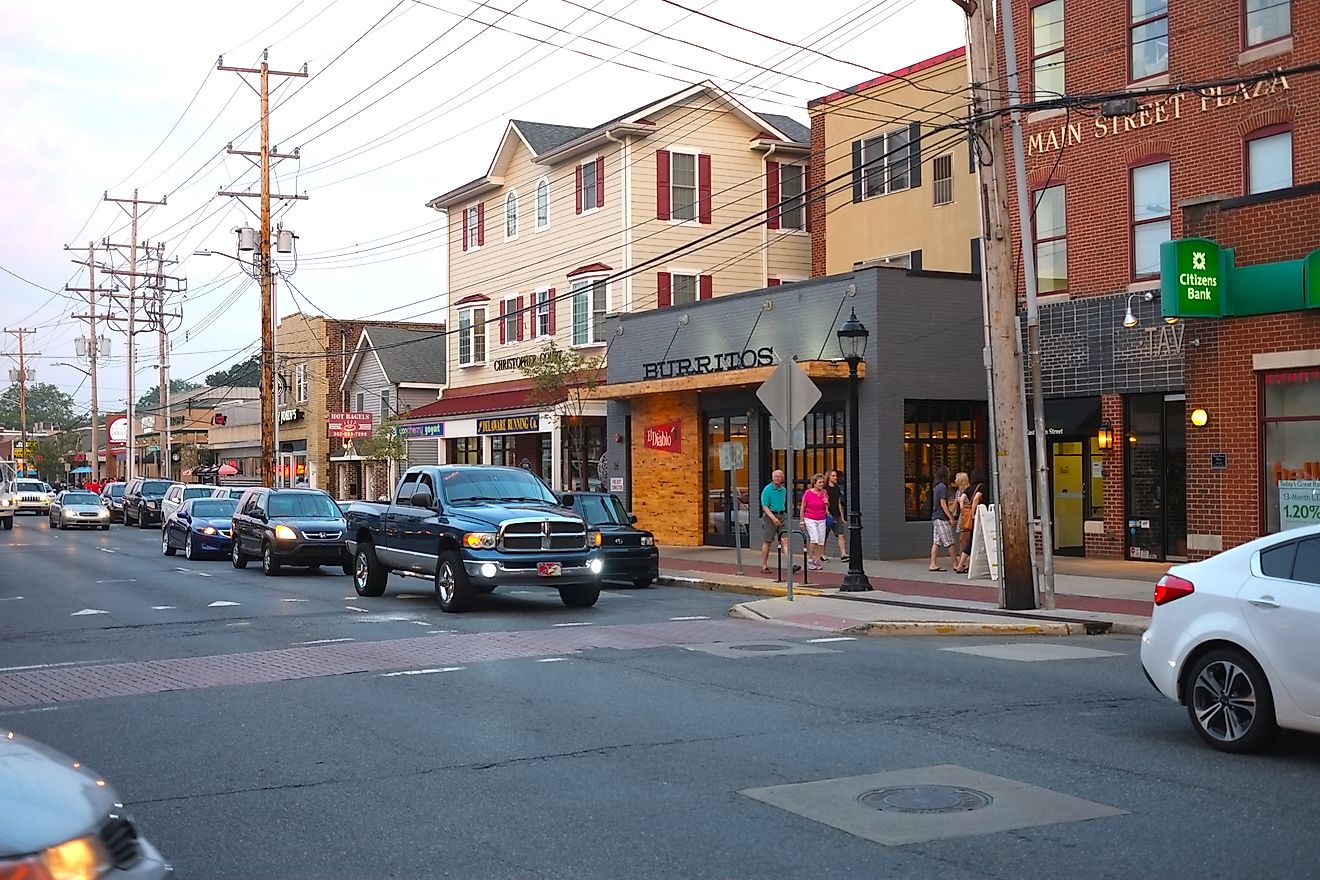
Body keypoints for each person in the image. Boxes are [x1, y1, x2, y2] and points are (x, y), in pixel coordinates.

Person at [758, 469, 800, 575]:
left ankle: (790, 565)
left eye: (779, 476)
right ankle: (764, 565)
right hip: (770, 515)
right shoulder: (767, 490)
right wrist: (773, 518)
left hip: (782, 514)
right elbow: (765, 507)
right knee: (768, 541)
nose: (777, 478)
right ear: (772, 478)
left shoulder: (784, 490)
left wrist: (781, 516)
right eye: (775, 476)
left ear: (782, 478)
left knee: (785, 540)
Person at [928, 465, 959, 571]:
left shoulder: (936, 487)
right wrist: (951, 517)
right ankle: (956, 564)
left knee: (936, 542)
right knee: (950, 541)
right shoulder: (943, 487)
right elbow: (943, 504)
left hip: (935, 517)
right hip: (941, 517)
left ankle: (933, 563)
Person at [956, 469, 986, 574]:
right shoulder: (982, 486)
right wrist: (973, 513)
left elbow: (962, 497)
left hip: (972, 517)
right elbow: (977, 498)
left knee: (972, 539)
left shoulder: (969, 488)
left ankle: (963, 564)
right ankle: (960, 565)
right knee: (973, 540)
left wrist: (963, 508)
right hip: (980, 517)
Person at [801, 473, 829, 571]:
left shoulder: (824, 492)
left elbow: (826, 505)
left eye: (822, 482)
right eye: (820, 482)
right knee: (814, 539)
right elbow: (803, 506)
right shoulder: (808, 493)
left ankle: (816, 560)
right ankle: (810, 559)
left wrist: (827, 503)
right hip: (810, 518)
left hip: (821, 518)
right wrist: (801, 521)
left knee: (821, 541)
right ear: (815, 483)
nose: (821, 484)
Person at [824, 469, 848, 562]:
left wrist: (841, 516)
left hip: (836, 514)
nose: (835, 478)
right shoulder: (825, 489)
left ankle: (843, 554)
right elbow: (824, 502)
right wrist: (826, 512)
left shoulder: (837, 488)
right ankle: (822, 554)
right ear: (828, 477)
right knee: (824, 536)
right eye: (833, 476)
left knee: (841, 534)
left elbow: (838, 502)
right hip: (828, 515)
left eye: (835, 476)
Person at [951, 472, 970, 573]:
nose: (954, 481)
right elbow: (955, 504)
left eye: (956, 479)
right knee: (962, 539)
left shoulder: (967, 491)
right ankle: (962, 561)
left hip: (966, 517)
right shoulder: (958, 491)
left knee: (964, 539)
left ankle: (962, 562)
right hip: (962, 517)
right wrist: (950, 515)